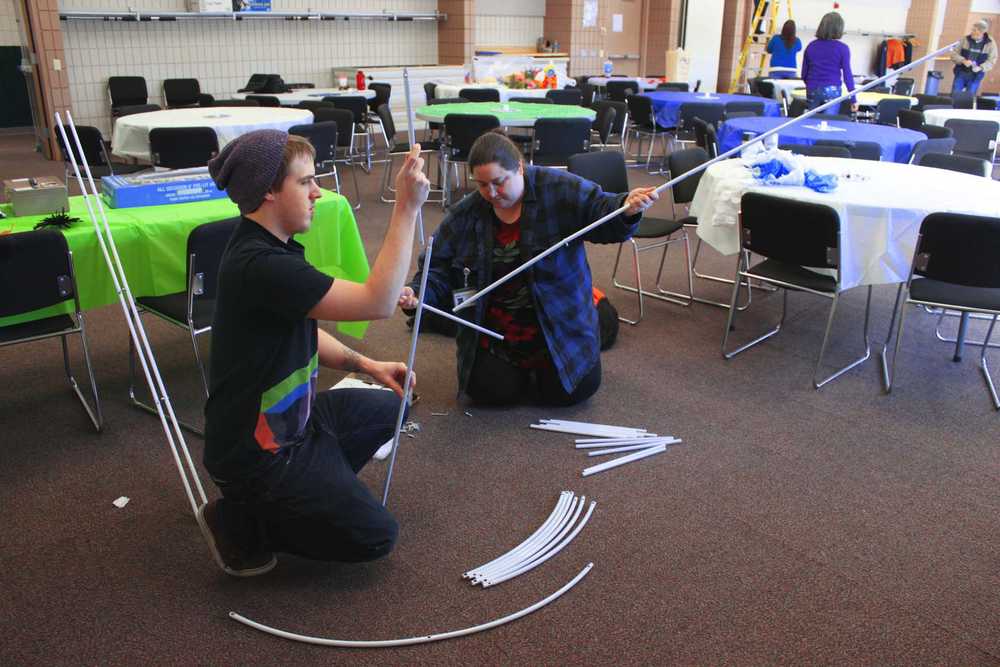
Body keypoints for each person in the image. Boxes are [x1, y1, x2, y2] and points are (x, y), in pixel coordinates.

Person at [198, 129, 430, 576]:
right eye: (305, 181)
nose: (317, 191)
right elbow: (378, 302)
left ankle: (312, 491)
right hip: (259, 453)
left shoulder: (272, 248)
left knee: (391, 407)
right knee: (375, 536)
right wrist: (406, 206)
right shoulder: (261, 264)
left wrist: (368, 365)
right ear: (268, 191)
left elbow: (303, 327)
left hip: (293, 422)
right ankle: (242, 522)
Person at [399, 132, 657, 407]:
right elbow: (436, 268)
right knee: (489, 393)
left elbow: (601, 209)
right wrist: (417, 293)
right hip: (496, 333)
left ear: (520, 168)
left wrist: (625, 207)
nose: (492, 193)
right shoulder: (465, 214)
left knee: (572, 392)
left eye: (499, 182)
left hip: (560, 325)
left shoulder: (558, 188)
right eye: (482, 185)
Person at [801, 12, 857, 115]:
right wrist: (853, 99)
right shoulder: (843, 48)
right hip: (832, 89)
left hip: (812, 88)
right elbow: (847, 75)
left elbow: (804, 74)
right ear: (839, 28)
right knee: (828, 124)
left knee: (810, 124)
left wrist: (811, 85)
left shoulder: (811, 46)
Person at [951, 19, 997, 95]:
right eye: (972, 29)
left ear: (982, 32)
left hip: (976, 75)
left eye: (975, 30)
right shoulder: (965, 39)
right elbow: (953, 54)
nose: (972, 32)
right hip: (961, 72)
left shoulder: (990, 44)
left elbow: (992, 60)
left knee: (969, 96)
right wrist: (963, 61)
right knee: (955, 94)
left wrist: (981, 67)